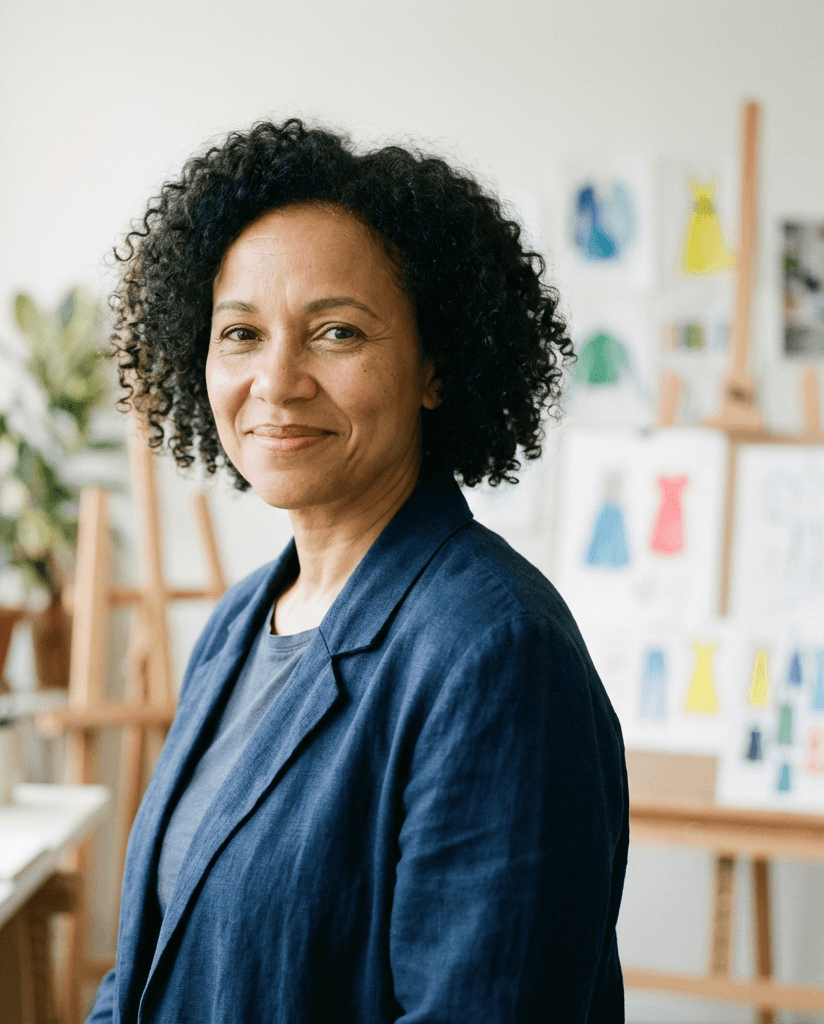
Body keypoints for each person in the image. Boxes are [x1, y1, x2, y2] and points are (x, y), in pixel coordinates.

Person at [88, 119, 628, 1024]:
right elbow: (145, 968)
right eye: (241, 333)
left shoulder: (496, 655)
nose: (278, 379)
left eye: (336, 332)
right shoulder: (237, 625)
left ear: (436, 367)